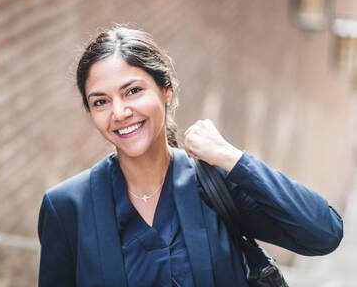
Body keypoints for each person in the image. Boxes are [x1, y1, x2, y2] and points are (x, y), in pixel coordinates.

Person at [37, 26, 343, 287]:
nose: (119, 112)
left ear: (166, 90)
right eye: (101, 101)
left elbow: (323, 232)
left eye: (132, 91)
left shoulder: (216, 183)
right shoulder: (66, 208)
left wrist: (231, 157)